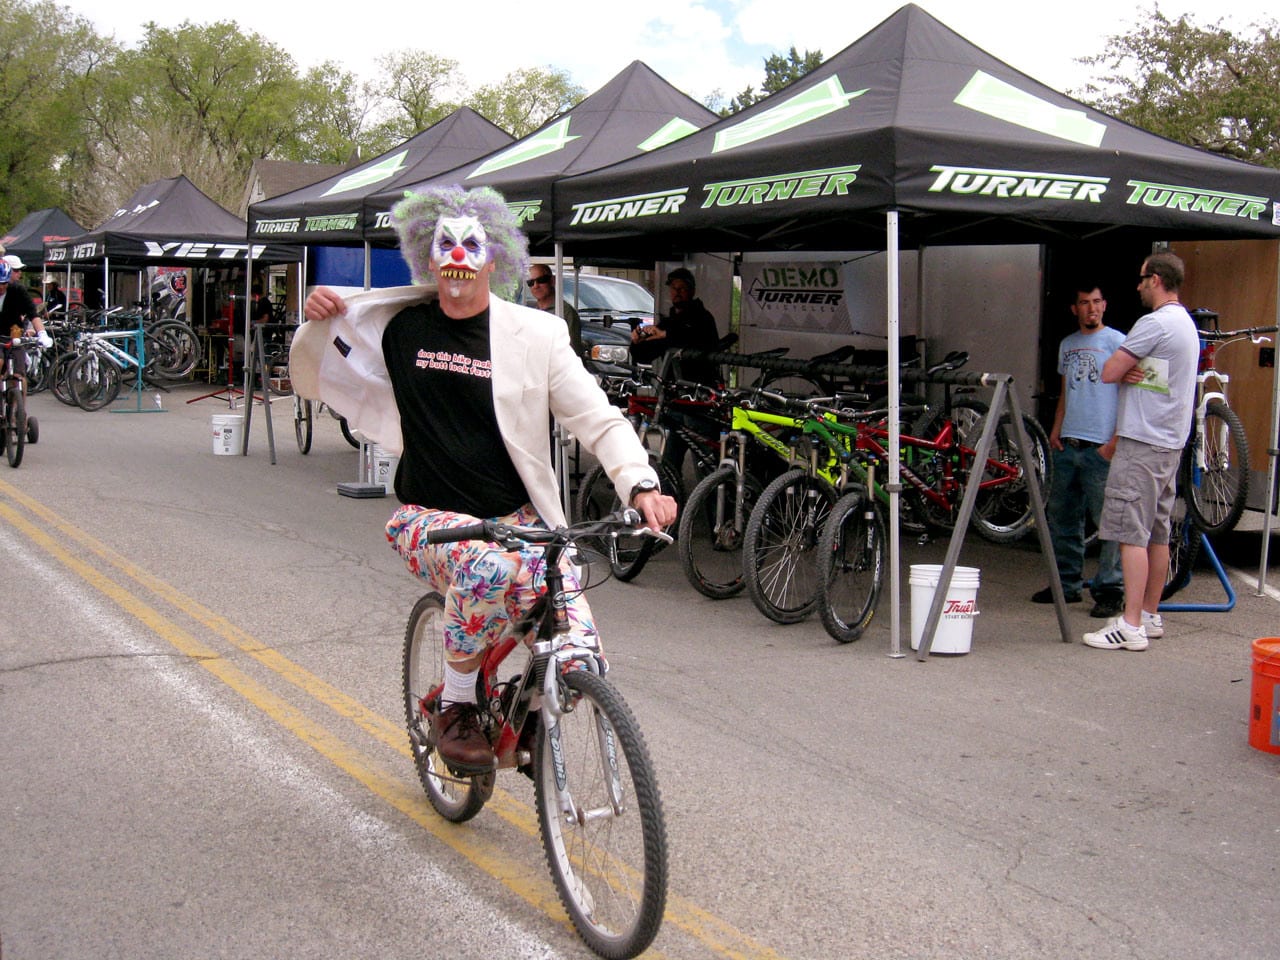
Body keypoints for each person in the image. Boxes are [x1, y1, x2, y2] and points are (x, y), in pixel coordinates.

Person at [292, 185, 676, 771]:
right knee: (487, 567)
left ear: (493, 258)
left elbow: (595, 418)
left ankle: (522, 714)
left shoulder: (537, 335)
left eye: (472, 246)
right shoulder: (402, 328)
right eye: (446, 246)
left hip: (521, 523)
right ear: (430, 257)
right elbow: (344, 334)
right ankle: (456, 703)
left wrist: (640, 483)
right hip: (427, 519)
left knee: (580, 654)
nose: (458, 259)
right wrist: (320, 310)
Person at [1083, 252, 1200, 652]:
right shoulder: (1184, 323)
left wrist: (1131, 369)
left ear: (1155, 280)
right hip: (1169, 442)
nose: (1137, 286)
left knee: (1129, 532)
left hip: (1142, 440)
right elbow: (1162, 377)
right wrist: (1143, 371)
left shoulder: (1153, 323)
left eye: (1141, 279)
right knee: (1157, 532)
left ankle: (1129, 624)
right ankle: (1149, 614)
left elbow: (1110, 371)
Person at [1031, 282, 1126, 618]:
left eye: (1097, 302)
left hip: (1100, 446)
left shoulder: (1117, 341)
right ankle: (1066, 585)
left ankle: (1110, 589)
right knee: (1063, 519)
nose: (1091, 309)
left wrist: (1115, 440)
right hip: (1068, 442)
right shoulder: (1067, 344)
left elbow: (1129, 393)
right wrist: (1056, 429)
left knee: (1109, 523)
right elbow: (1066, 392)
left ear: (1105, 305)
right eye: (1085, 303)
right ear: (1075, 308)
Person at [629, 266, 721, 385]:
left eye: (682, 288)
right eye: (673, 288)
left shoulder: (703, 318)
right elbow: (644, 356)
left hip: (701, 389)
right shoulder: (668, 323)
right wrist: (637, 342)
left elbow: (696, 339)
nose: (677, 292)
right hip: (672, 389)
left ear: (692, 291)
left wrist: (665, 334)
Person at [0, 261, 53, 377]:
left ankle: (20, 393)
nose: (1, 287)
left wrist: (42, 333)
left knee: (20, 373)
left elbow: (33, 314)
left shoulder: (18, 291)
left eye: (4, 283)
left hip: (14, 335)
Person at [527, 263, 583, 358]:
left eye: (541, 280)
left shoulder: (565, 312)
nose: (536, 286)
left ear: (552, 281)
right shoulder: (530, 312)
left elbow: (572, 351)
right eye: (531, 282)